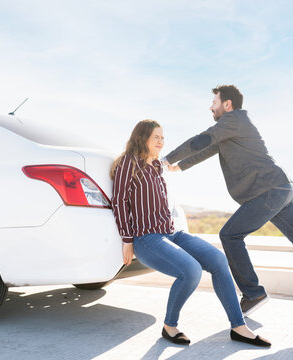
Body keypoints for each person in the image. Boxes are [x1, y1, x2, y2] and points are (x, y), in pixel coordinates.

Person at [163, 85, 293, 320]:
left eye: (214, 102)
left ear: (227, 105)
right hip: (281, 189)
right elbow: (209, 147)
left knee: (230, 235)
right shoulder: (232, 129)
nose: (210, 106)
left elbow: (203, 139)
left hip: (268, 192)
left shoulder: (234, 119)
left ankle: (253, 293)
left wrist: (166, 158)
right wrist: (180, 166)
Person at [110, 119, 271, 347]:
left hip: (171, 233)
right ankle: (170, 325)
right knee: (191, 270)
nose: (161, 141)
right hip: (147, 238)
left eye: (163, 137)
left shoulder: (157, 166)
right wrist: (127, 240)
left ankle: (239, 326)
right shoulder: (129, 163)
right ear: (141, 137)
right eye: (156, 136)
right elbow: (119, 201)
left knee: (218, 260)